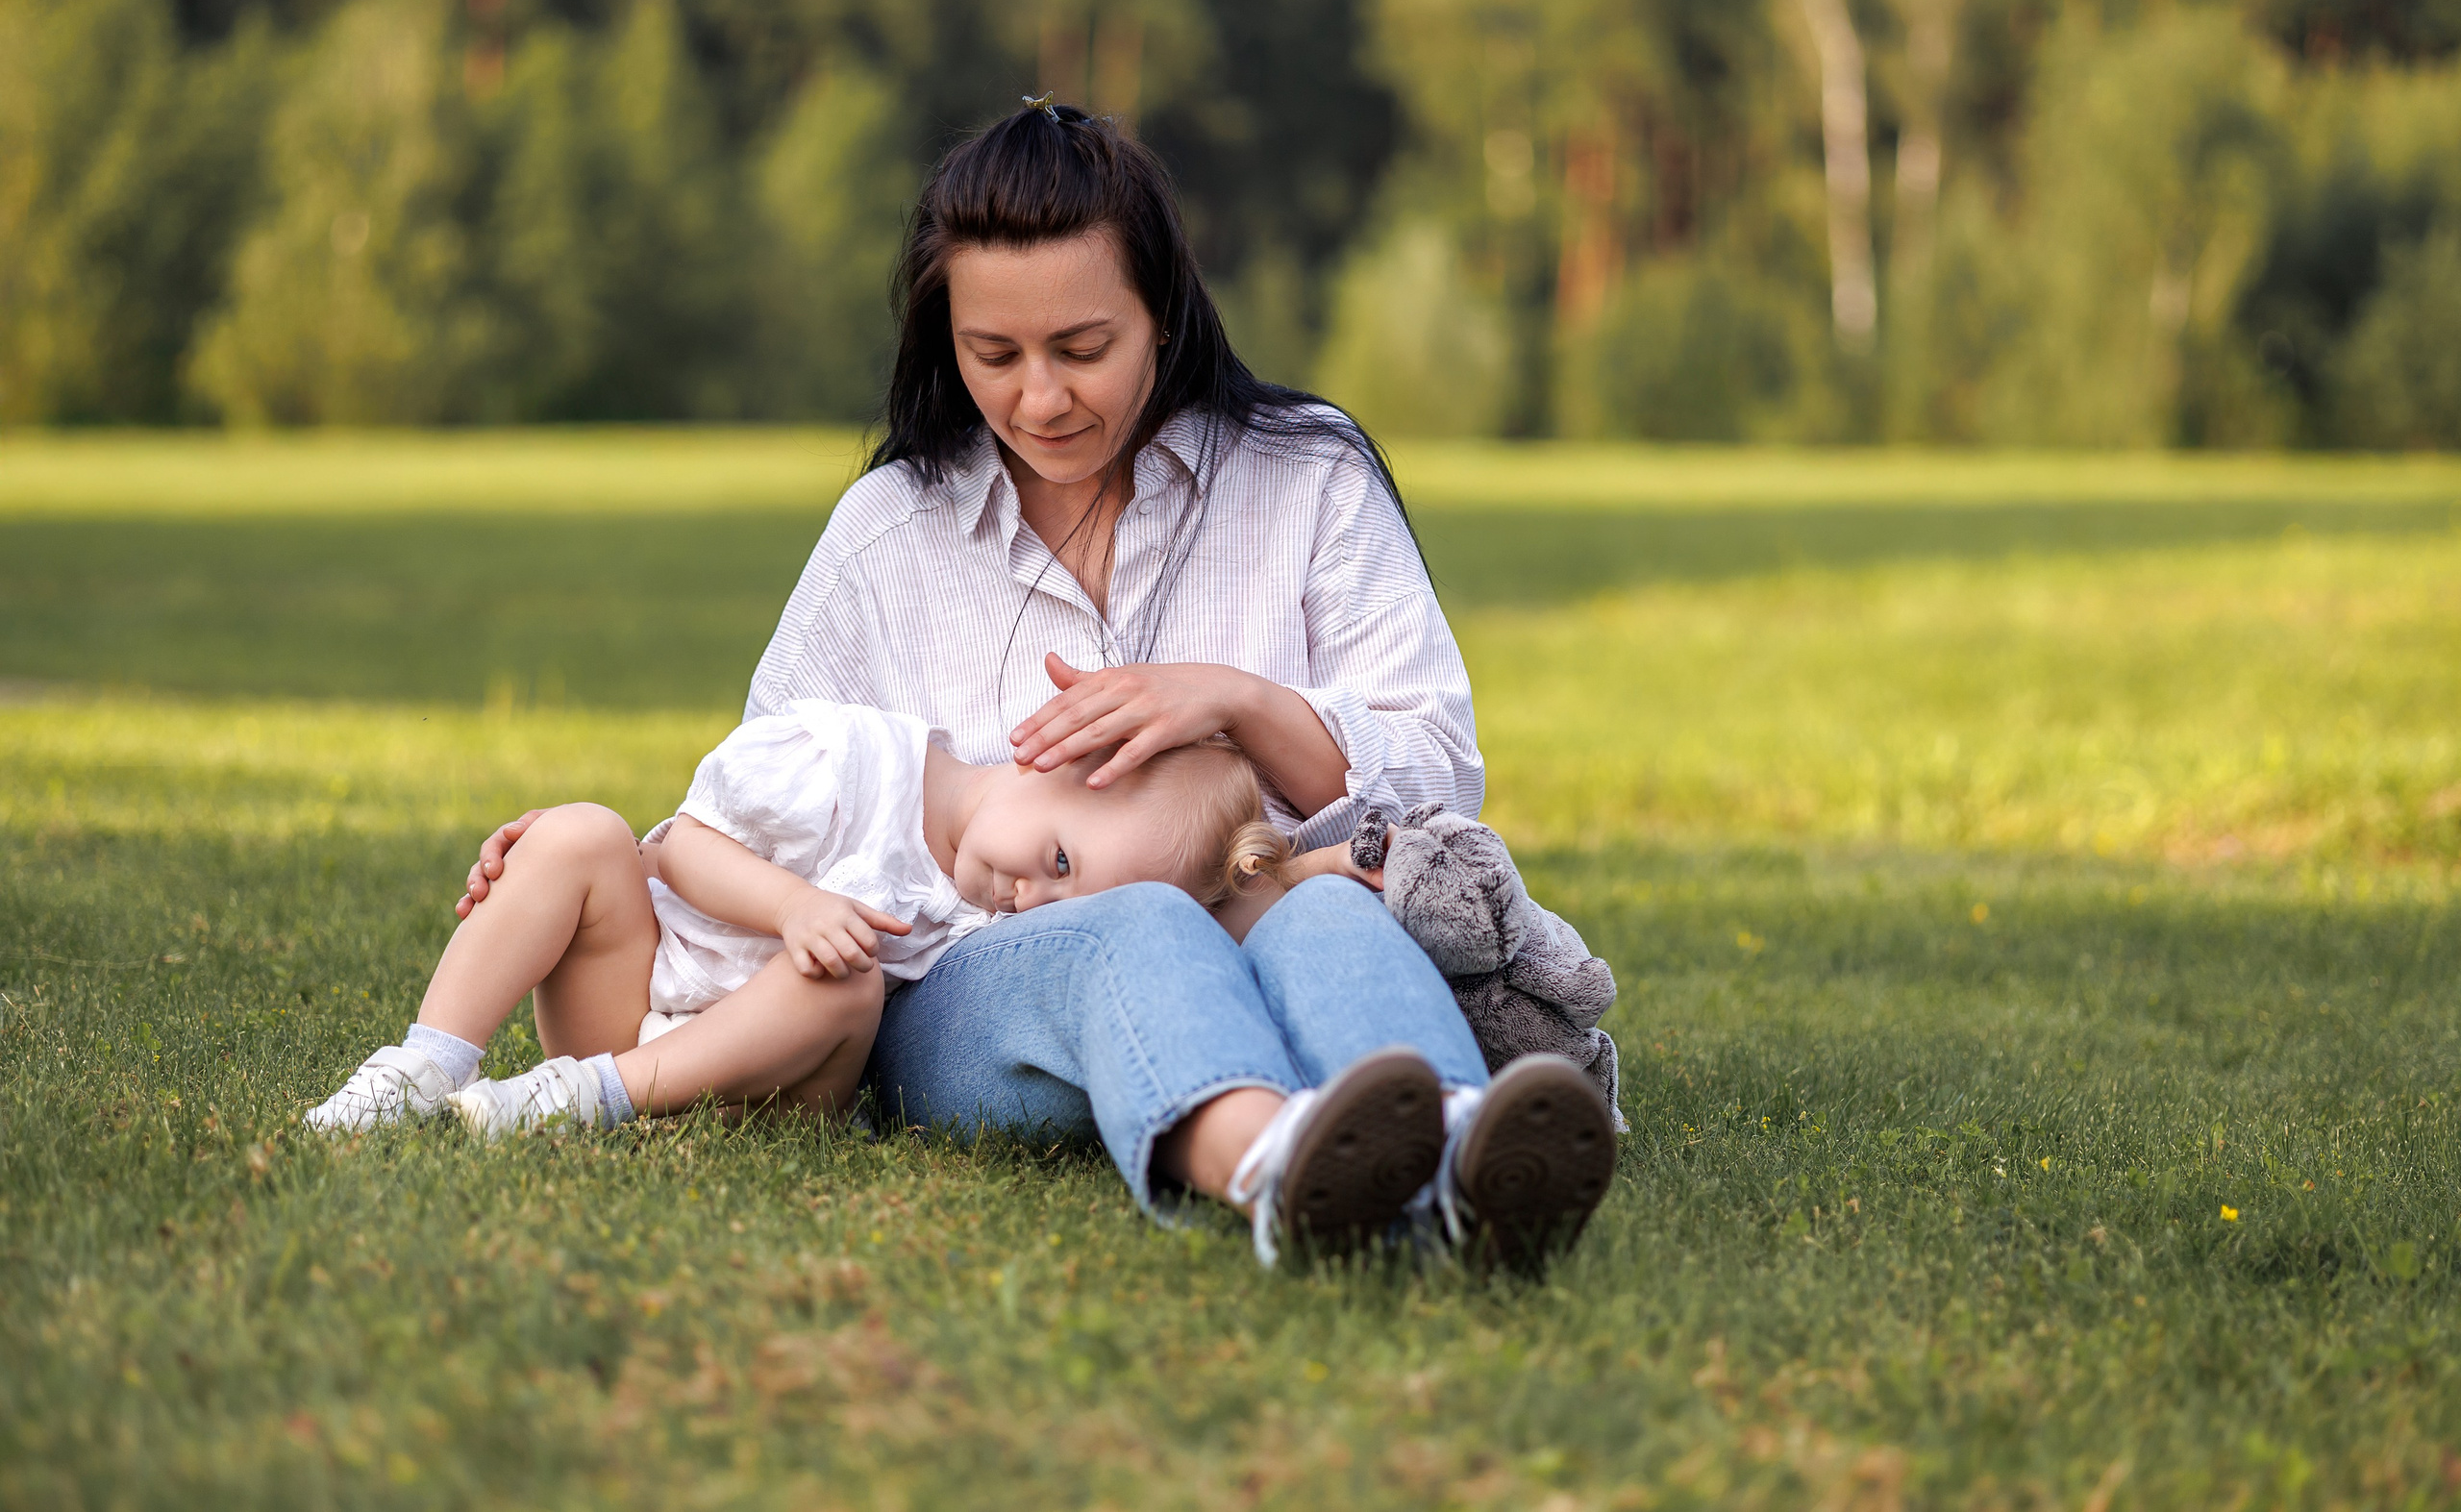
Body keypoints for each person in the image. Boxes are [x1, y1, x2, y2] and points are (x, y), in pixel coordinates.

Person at [457, 98, 1615, 1267]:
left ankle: (1463, 1150)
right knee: (1138, 923)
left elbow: (1438, 786)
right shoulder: (890, 532)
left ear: (1163, 313)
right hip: (966, 996)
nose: (1040, 400)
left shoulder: (1306, 477)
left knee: (1325, 911)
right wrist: (583, 862)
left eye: (1082, 348)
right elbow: (771, 801)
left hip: (1264, 915)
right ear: (944, 337)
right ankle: (1271, 1170)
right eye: (994, 355)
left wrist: (1241, 703)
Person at [306, 700, 1286, 1138]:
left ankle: (586, 1099)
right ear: (1056, 754)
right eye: (1060, 861)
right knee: (582, 832)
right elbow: (684, 847)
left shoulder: (987, 916)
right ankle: (424, 1063)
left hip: (767, 1086)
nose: (1031, 899)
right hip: (632, 998)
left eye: (1071, 901)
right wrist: (794, 904)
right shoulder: (848, 758)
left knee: (846, 978)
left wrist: (1305, 861)